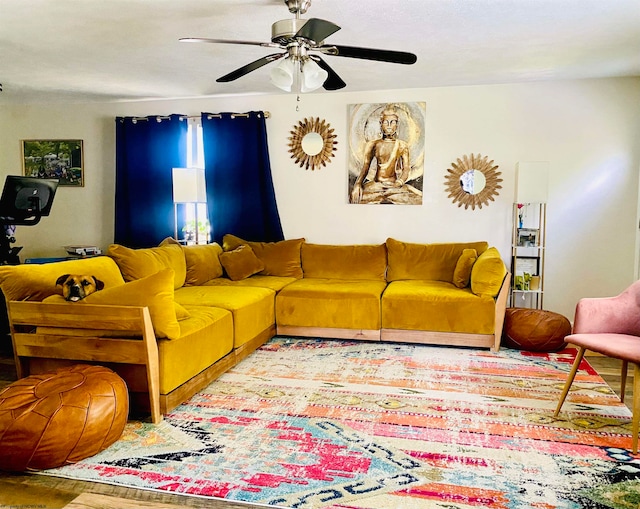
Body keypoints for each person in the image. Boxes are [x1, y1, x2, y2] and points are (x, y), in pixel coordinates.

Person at [350, 106, 421, 205]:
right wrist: (357, 184)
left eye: (392, 122)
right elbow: (365, 167)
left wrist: (398, 183)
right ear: (380, 124)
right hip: (376, 186)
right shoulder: (373, 145)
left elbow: (406, 170)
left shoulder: (402, 145)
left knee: (419, 197)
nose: (389, 125)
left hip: (395, 187)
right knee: (356, 197)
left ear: (397, 125)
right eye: (385, 122)